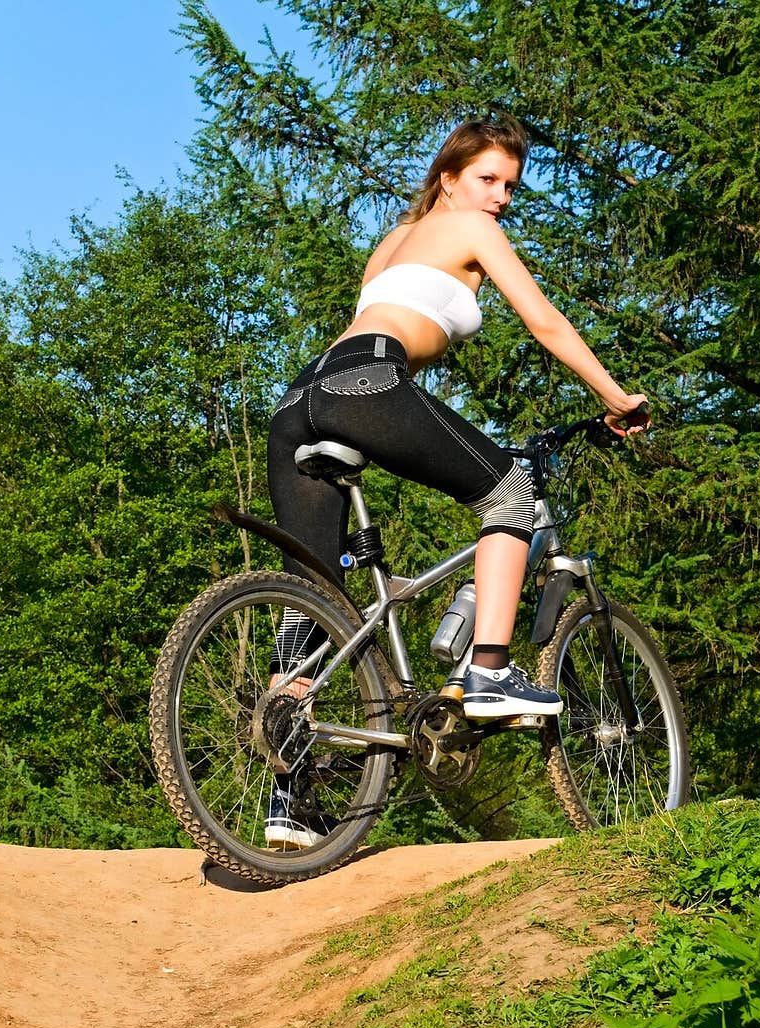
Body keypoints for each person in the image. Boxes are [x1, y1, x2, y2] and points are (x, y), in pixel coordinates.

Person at [264, 114, 650, 847]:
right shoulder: (473, 230)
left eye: (510, 184)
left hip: (299, 399)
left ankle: (288, 804)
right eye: (487, 179)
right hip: (366, 382)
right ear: (449, 178)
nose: (500, 196)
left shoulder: (389, 245)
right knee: (511, 493)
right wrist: (614, 397)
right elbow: (545, 323)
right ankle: (491, 671)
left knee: (311, 606)